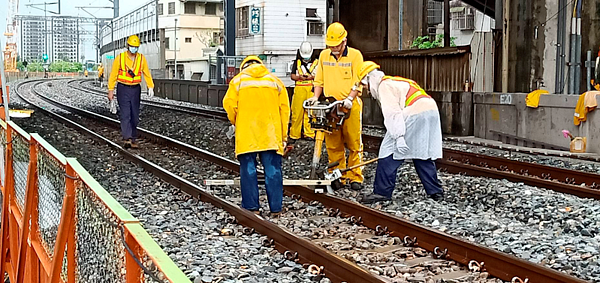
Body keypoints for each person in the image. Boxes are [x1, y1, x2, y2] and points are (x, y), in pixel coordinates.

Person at [357, 62, 444, 204]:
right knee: (421, 152)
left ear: (369, 79)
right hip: (431, 110)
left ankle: (382, 192)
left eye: (364, 84)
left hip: (415, 112)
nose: (365, 89)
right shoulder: (395, 80)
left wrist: (399, 137)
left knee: (388, 151)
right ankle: (435, 192)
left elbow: (393, 113)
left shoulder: (384, 86)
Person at [223, 55, 290, 215]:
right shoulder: (276, 82)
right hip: (270, 134)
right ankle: (276, 208)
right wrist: (283, 136)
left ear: (244, 67)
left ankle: (252, 208)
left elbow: (229, 105)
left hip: (247, 133)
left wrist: (236, 122)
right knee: (273, 170)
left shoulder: (237, 82)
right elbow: (285, 111)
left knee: (248, 170)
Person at [307, 22, 365, 191]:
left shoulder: (355, 56)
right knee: (333, 144)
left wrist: (350, 98)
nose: (333, 48)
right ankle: (338, 174)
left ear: (344, 41)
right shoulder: (324, 56)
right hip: (330, 106)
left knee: (354, 143)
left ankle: (355, 176)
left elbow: (358, 80)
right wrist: (315, 97)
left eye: (336, 45)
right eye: (330, 45)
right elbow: (319, 80)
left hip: (350, 105)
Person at [107, 35, 155, 149]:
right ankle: (127, 138)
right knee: (125, 114)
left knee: (134, 115)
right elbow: (113, 75)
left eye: (136, 47)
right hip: (123, 88)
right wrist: (110, 90)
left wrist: (150, 86)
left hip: (135, 89)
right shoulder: (120, 58)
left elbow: (146, 73)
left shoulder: (141, 58)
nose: (134, 48)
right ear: (127, 46)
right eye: (132, 46)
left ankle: (133, 138)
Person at [289, 41, 318, 141]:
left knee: (310, 112)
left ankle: (309, 133)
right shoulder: (296, 63)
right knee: (297, 112)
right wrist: (299, 77)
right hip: (299, 90)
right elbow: (292, 76)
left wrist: (311, 77)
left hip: (311, 89)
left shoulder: (317, 63)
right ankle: (294, 134)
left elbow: (320, 76)